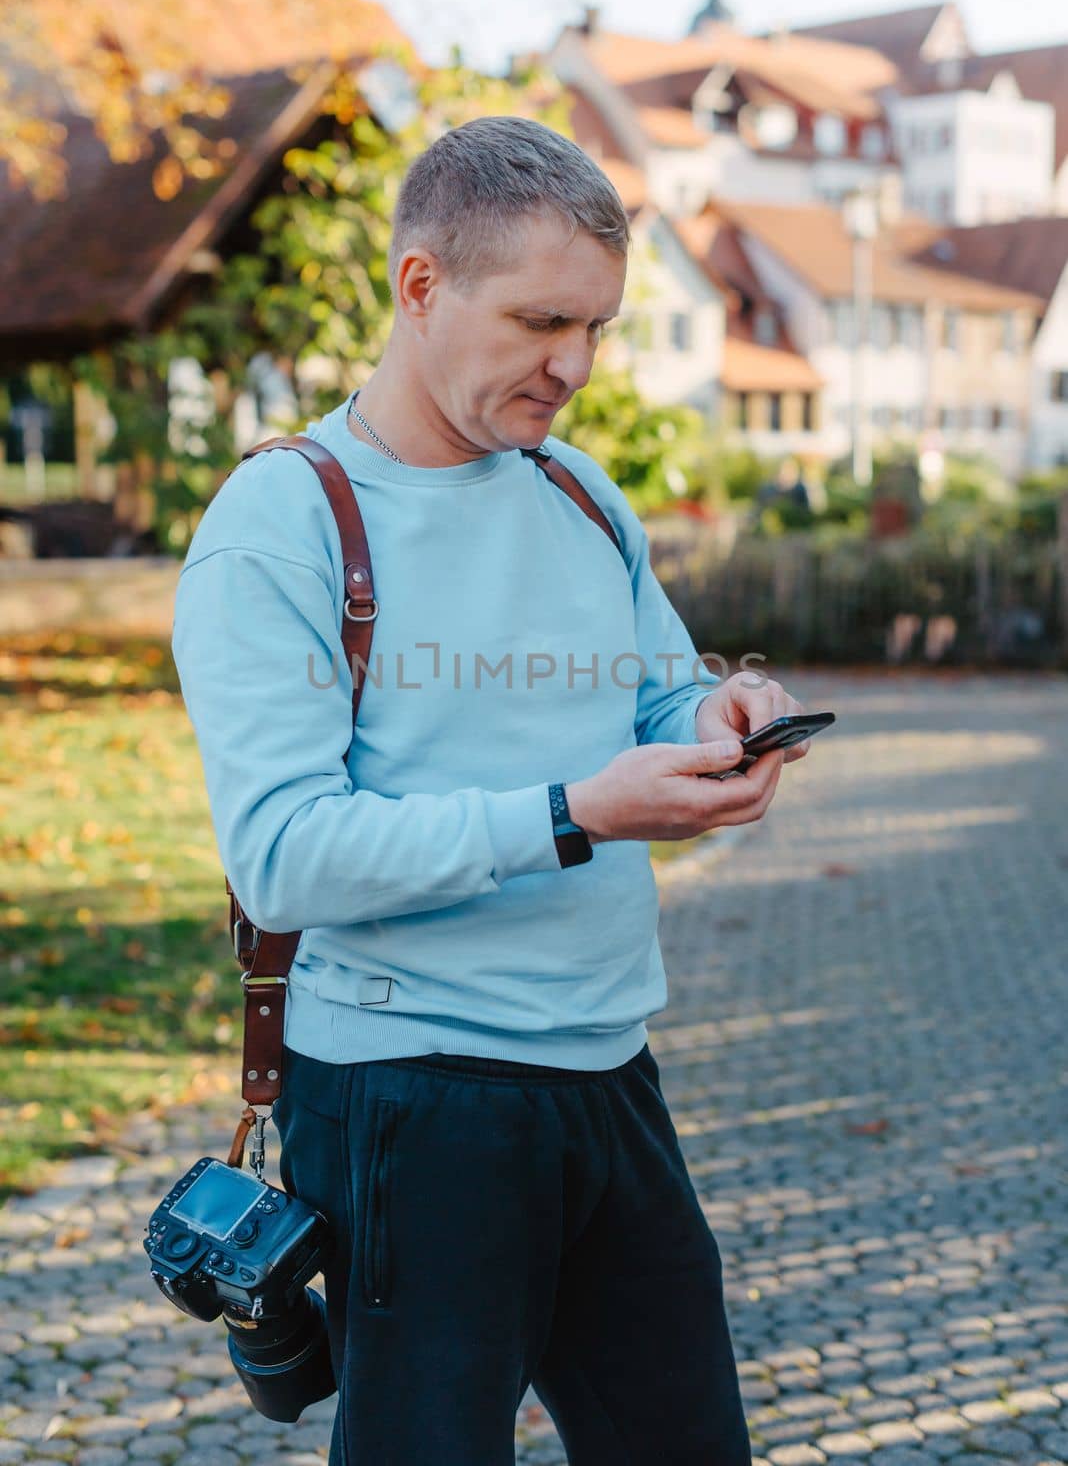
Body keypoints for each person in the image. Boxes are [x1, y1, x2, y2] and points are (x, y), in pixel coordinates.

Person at [172, 115, 810, 1466]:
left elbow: (654, 690)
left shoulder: (578, 491)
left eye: (596, 329)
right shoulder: (282, 521)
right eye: (538, 323)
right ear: (420, 287)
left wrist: (722, 712)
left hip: (610, 1077)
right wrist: (576, 814)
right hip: (414, 1098)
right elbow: (283, 857)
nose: (572, 367)